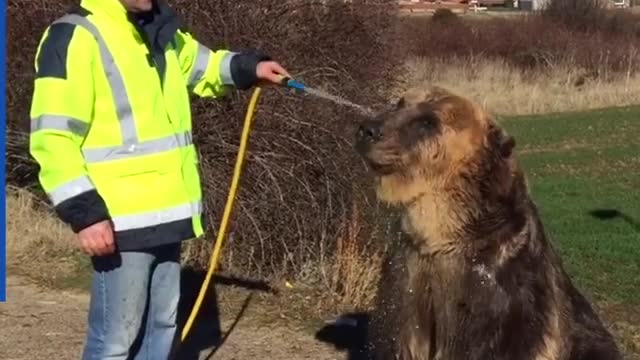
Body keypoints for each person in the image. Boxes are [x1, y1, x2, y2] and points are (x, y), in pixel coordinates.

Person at [28, 0, 291, 358]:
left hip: (169, 213)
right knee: (114, 342)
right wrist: (85, 214)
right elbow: (53, 137)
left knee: (162, 330)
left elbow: (206, 66)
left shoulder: (159, 28)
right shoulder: (75, 35)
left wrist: (251, 67)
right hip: (120, 223)